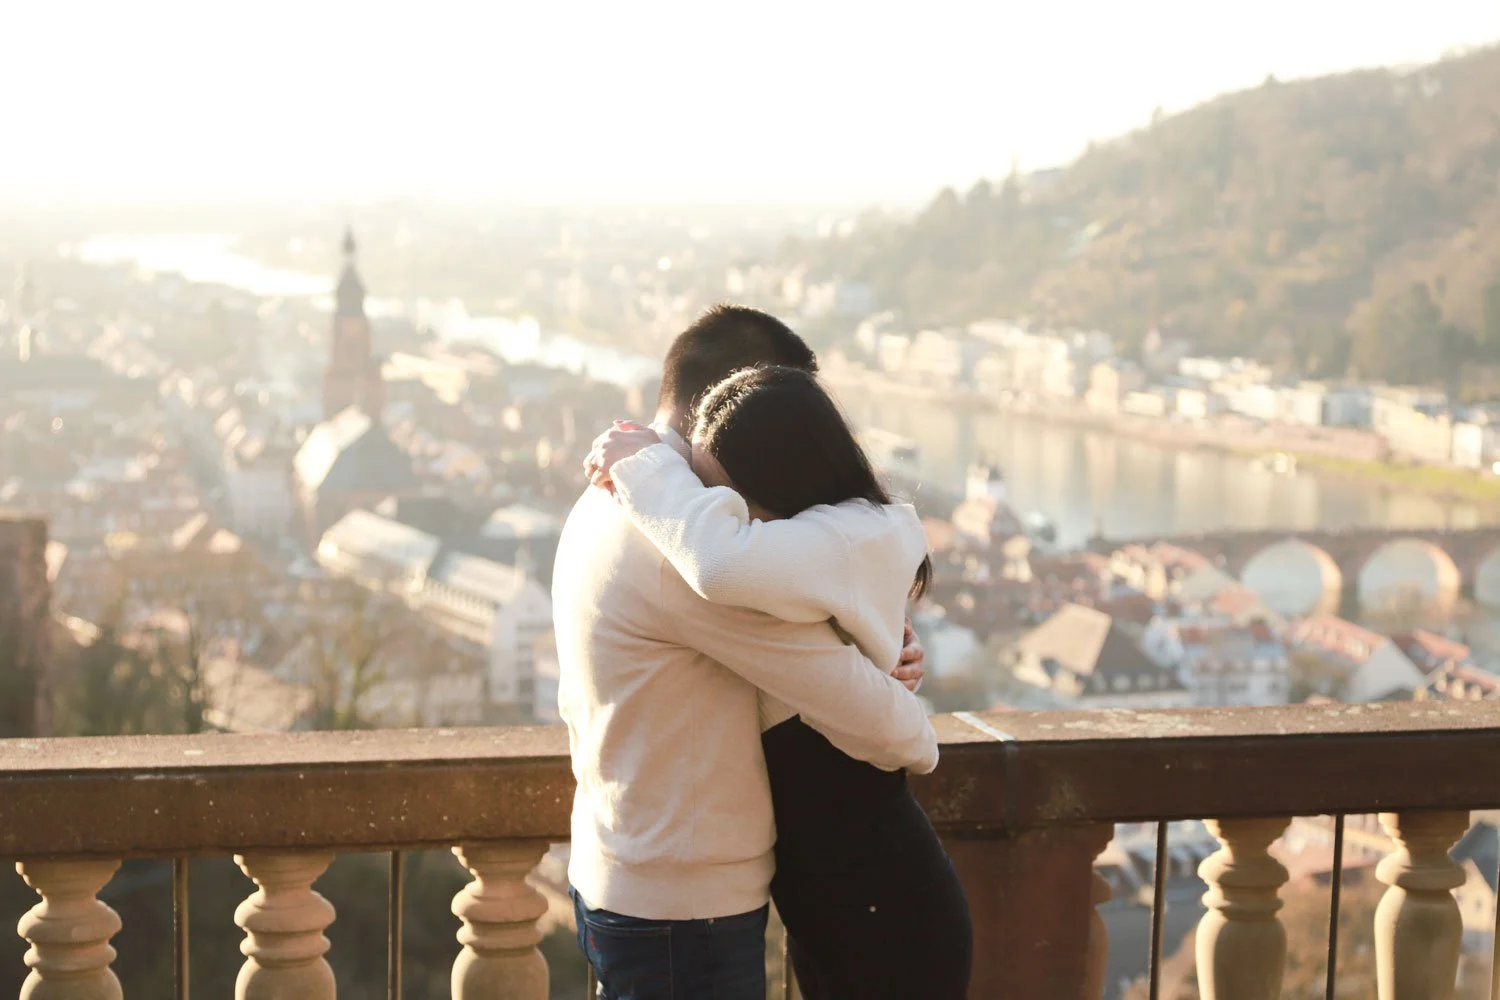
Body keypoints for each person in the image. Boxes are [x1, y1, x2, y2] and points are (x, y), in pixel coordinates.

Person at [554, 306, 937, 1000]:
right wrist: (906, 704)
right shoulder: (675, 550)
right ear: (726, 406)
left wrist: (881, 636)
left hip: (625, 867)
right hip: (684, 905)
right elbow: (872, 714)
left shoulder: (612, 501)